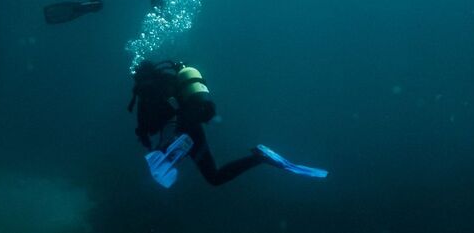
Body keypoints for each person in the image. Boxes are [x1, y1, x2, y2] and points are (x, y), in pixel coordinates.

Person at [128, 60, 328, 188]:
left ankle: (171, 145)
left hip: (177, 128)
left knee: (170, 143)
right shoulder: (171, 79)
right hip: (193, 126)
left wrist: (144, 137)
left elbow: (149, 126)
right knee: (214, 177)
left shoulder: (144, 92)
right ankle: (259, 157)